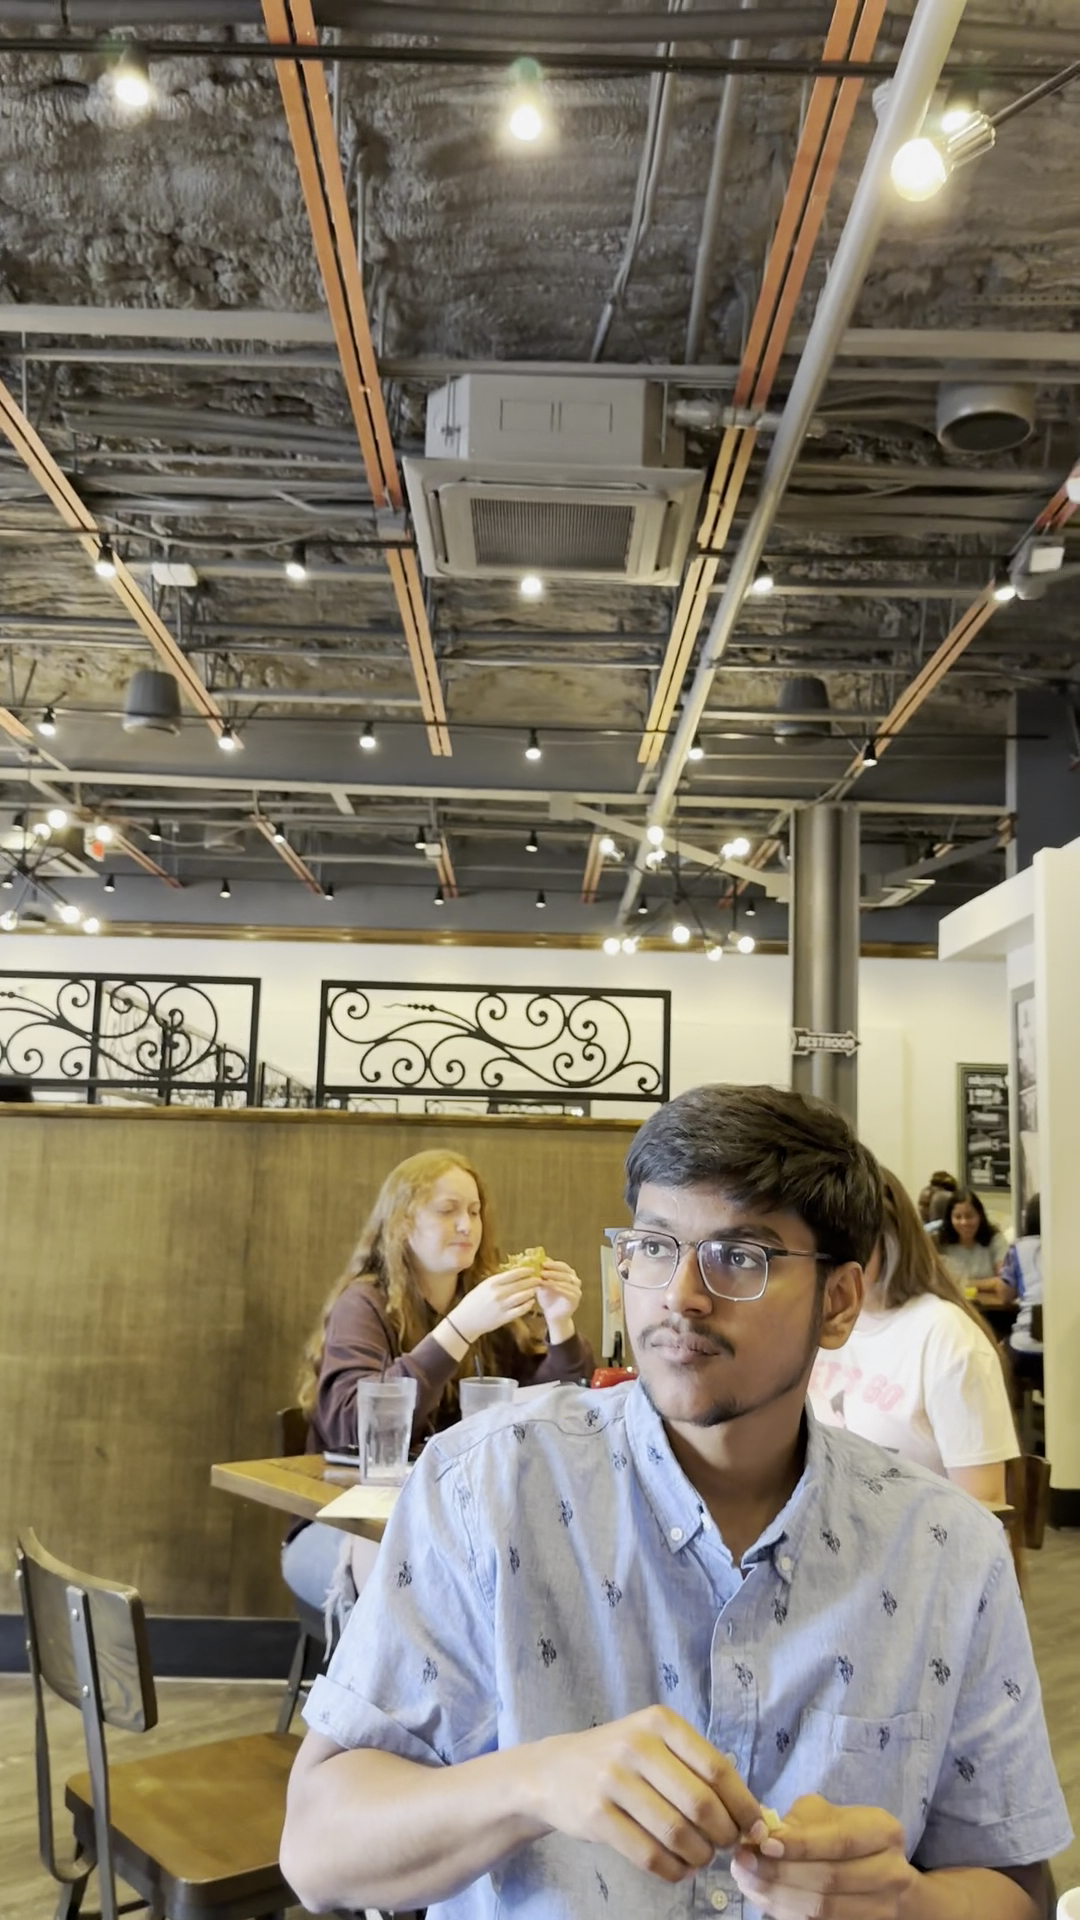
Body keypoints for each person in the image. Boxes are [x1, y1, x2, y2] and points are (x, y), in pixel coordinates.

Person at [281, 1085, 1068, 1920]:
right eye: (654, 1247)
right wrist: (533, 1780)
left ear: (838, 1303)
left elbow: (1016, 1887)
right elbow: (319, 1851)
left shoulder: (944, 1549)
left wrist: (907, 1902)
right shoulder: (486, 1487)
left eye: (740, 1256)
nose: (680, 1295)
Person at [281, 1148, 592, 1611]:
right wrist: (459, 1329)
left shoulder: (484, 1304)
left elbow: (554, 1410)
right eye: (448, 1211)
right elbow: (353, 1424)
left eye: (474, 1211)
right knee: (424, 1573)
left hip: (455, 1518)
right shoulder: (364, 1305)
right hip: (344, 1522)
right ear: (402, 1223)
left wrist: (560, 1322)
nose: (466, 1225)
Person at [809, 1167, 1018, 1506]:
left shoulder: (945, 1336)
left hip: (916, 1536)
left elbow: (984, 1505)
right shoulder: (812, 1326)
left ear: (889, 1238)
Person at [1002, 1195, 1043, 1396]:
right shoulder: (1070, 1245)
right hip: (1068, 1349)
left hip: (1026, 1350)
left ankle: (1014, 1408)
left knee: (1001, 1349)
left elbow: (1006, 1295)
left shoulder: (1018, 1248)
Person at [937, 1189, 1009, 1301]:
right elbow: (938, 1282)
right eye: (958, 1217)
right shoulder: (941, 1243)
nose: (964, 1222)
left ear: (980, 1216)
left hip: (992, 1307)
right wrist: (988, 1283)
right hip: (953, 1304)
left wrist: (964, 1284)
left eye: (969, 1216)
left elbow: (1004, 1281)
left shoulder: (995, 1239)